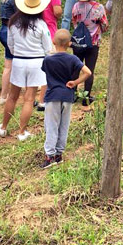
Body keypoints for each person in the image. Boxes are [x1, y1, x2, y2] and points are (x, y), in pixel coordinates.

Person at [0, 0, 53, 142]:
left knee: (12, 96)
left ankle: (3, 127)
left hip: (19, 61)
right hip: (36, 62)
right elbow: (48, 48)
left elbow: (10, 45)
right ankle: (22, 131)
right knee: (29, 98)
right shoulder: (41, 24)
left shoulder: (13, 23)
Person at [40, 30, 91, 169]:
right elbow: (88, 72)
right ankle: (58, 154)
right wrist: (75, 82)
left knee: (51, 126)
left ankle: (49, 156)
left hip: (52, 96)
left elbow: (45, 72)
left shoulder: (48, 60)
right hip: (68, 96)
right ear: (69, 44)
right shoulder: (73, 59)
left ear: (54, 42)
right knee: (64, 125)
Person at [26, 0, 62, 110]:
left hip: (31, 29)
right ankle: (43, 100)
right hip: (49, 29)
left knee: (35, 63)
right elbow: (57, 11)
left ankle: (30, 99)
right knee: (49, 66)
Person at [70, 0, 108, 106]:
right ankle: (86, 97)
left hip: (79, 42)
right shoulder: (98, 7)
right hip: (93, 42)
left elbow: (74, 23)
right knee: (90, 69)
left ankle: (73, 94)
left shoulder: (75, 6)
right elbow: (105, 26)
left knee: (76, 67)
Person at [0, 0, 31, 104]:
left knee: (8, 65)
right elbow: (21, 15)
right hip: (13, 31)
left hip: (3, 30)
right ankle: (21, 90)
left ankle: (3, 95)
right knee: (21, 61)